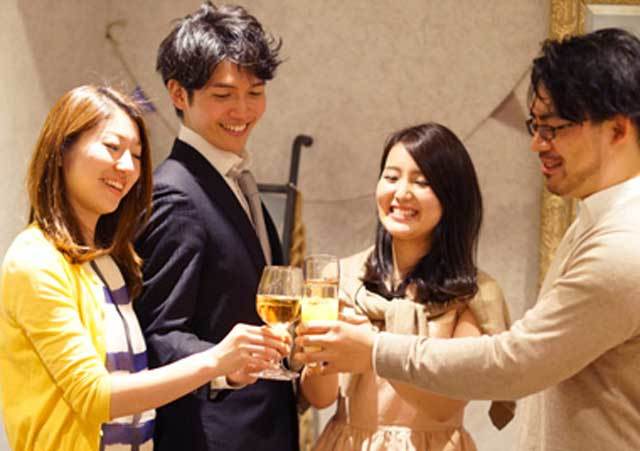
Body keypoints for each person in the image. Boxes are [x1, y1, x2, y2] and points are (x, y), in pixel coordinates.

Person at [296, 28, 640, 451]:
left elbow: (512, 363)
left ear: (617, 130)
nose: (537, 144)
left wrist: (373, 349)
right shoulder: (593, 221)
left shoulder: (623, 245)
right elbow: (320, 394)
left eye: (553, 128)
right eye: (535, 126)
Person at [0, 85, 288, 451]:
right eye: (112, 147)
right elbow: (94, 396)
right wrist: (215, 361)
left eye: (136, 155)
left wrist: (225, 371)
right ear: (61, 150)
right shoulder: (36, 260)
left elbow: (137, 371)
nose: (126, 167)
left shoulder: (108, 260)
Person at [133, 3, 298, 451]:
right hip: (213, 436)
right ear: (178, 94)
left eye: (255, 91)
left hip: (265, 429)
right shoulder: (175, 194)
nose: (243, 110)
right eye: (223, 95)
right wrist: (225, 366)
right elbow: (158, 333)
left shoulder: (235, 180)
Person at [299, 123, 512, 450]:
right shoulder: (341, 276)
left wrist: (371, 351)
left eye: (421, 182)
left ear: (452, 197)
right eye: (391, 177)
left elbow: (444, 405)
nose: (401, 193)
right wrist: (318, 351)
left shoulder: (474, 295)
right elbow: (321, 398)